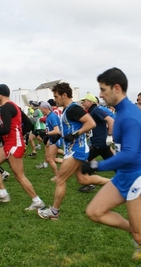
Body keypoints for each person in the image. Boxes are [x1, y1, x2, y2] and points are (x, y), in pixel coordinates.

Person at [81, 68, 141, 266]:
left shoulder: (129, 115)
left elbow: (129, 155)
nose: (101, 95)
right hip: (124, 176)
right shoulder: (121, 112)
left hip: (139, 178)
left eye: (103, 90)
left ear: (117, 88)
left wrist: (96, 165)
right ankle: (137, 229)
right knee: (94, 212)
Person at [37, 82, 110, 220]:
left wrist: (75, 134)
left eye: (56, 96)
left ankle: (54, 212)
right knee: (83, 179)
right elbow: (71, 128)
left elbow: (91, 123)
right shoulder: (67, 110)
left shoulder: (73, 108)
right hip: (75, 149)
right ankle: (117, 182)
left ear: (64, 95)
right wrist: (61, 135)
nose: (55, 99)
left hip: (77, 150)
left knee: (60, 180)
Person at [0, 84, 45, 210]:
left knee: (19, 176)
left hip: (13, 145)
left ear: (1, 94)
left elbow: (6, 129)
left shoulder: (6, 107)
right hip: (11, 143)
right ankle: (3, 193)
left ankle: (37, 200)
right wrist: (20, 137)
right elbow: (28, 124)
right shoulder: (14, 106)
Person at [78, 93, 115, 193]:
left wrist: (110, 135)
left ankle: (90, 183)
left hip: (99, 143)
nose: (83, 103)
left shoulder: (96, 110)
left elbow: (111, 120)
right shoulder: (92, 111)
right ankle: (128, 180)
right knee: (115, 164)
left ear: (90, 102)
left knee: (83, 162)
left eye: (85, 101)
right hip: (101, 144)